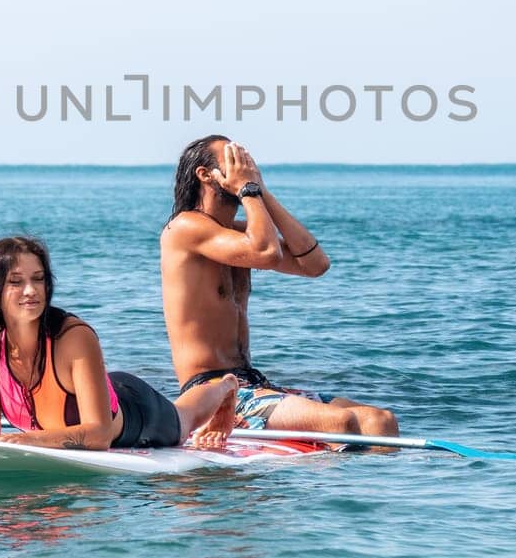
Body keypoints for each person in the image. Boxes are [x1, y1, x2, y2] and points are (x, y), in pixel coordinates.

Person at [159, 136, 399, 436]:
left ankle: (377, 484)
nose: (244, 169)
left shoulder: (238, 234)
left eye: (247, 164)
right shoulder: (185, 228)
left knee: (381, 420)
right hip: (213, 391)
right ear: (205, 175)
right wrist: (248, 190)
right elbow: (267, 252)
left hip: (254, 383)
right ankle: (327, 481)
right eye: (233, 163)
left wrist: (261, 192)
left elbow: (315, 265)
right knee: (340, 423)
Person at [0, 235, 237, 450]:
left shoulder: (73, 337)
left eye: (39, 278)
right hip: (93, 388)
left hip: (134, 413)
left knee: (183, 419)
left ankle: (226, 387)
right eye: (16, 282)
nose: (31, 290)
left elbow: (100, 435)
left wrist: (33, 440)